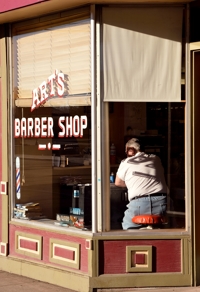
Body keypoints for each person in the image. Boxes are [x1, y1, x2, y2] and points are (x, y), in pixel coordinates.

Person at [115, 138, 168, 230]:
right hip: (161, 202)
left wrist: (133, 184)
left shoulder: (126, 162)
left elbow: (118, 182)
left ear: (130, 150)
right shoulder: (156, 159)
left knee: (127, 226)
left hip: (139, 203)